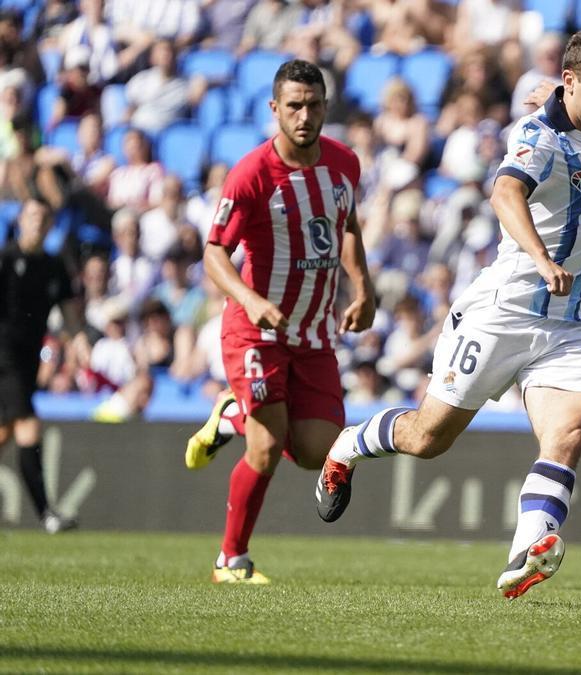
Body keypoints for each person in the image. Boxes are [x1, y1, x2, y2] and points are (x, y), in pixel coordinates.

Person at [314, 29, 581, 601]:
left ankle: (527, 552)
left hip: (568, 323)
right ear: (574, 80)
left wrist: (553, 92)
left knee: (571, 426)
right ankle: (350, 443)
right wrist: (541, 257)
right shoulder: (539, 140)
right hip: (503, 313)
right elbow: (506, 192)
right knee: (427, 438)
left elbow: (556, 98)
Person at [182, 60, 375, 584]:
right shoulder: (250, 175)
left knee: (318, 453)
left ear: (325, 107)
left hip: (313, 334)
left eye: (313, 105)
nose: (304, 115)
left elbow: (350, 227)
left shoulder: (344, 165)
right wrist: (250, 299)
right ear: (275, 109)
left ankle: (232, 416)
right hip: (257, 331)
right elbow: (215, 251)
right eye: (294, 105)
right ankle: (231, 560)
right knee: (266, 450)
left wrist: (363, 287)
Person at [0, 198, 82, 534]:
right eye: (32, 215)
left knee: (5, 431)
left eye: (44, 218)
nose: (37, 223)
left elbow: (67, 307)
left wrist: (79, 340)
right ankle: (47, 514)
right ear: (21, 220)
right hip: (3, 354)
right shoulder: (5, 259)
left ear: (50, 226)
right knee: (28, 426)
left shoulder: (52, 265)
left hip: (28, 357)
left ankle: (48, 514)